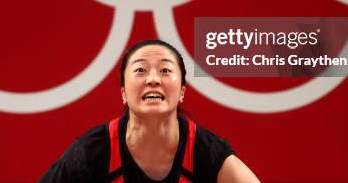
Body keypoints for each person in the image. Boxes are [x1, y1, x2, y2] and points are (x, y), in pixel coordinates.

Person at [39, 39, 260, 182]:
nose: (153, 79)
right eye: (140, 70)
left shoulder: (206, 152)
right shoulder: (91, 153)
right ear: (124, 93)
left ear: (182, 91)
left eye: (165, 70)